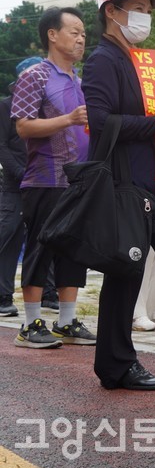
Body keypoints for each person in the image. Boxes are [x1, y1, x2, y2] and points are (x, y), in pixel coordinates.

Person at [82, 0, 155, 390]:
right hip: (128, 186)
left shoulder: (143, 64)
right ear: (112, 11)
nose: (146, 18)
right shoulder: (104, 59)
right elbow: (101, 120)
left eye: (148, 11)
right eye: (139, 9)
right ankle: (116, 365)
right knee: (125, 274)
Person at [10, 7, 96, 349]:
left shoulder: (79, 81)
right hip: (45, 178)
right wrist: (68, 120)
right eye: (74, 31)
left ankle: (66, 321)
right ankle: (29, 324)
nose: (80, 38)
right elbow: (23, 127)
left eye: (84, 33)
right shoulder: (35, 75)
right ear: (52, 35)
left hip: (78, 181)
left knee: (74, 252)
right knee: (39, 249)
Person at [0, 58, 57, 317]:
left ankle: (48, 293)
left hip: (45, 182)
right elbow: (2, 147)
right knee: (9, 236)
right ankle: (3, 296)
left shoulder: (51, 108)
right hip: (15, 185)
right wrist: (20, 172)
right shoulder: (5, 107)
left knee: (48, 237)